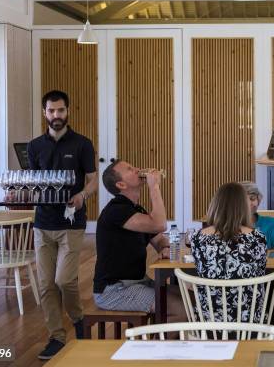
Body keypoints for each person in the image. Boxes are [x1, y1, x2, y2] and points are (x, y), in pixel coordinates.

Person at [27, 90, 98, 360]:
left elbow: (91, 179)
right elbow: (33, 183)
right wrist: (18, 194)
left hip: (71, 222)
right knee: (46, 284)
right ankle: (56, 336)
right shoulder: (34, 147)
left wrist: (83, 195)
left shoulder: (82, 144)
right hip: (42, 223)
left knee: (64, 280)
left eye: (60, 110)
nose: (56, 115)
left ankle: (78, 319)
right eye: (51, 111)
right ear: (44, 113)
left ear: (68, 111)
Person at [93, 160, 169, 313]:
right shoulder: (116, 210)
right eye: (130, 169)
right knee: (177, 305)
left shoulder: (134, 209)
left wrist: (165, 247)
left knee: (189, 298)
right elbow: (160, 224)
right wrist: (154, 187)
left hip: (138, 282)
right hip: (114, 290)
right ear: (121, 185)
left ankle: (164, 335)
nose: (138, 169)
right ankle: (162, 336)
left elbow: (159, 238)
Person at [191, 183, 267, 323]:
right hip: (249, 321)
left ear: (216, 205)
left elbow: (199, 269)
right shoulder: (257, 238)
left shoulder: (197, 238)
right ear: (243, 207)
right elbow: (260, 272)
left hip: (208, 320)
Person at [239, 181, 274, 328]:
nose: (250, 203)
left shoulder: (271, 223)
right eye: (245, 198)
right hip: (242, 278)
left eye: (253, 198)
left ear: (258, 201)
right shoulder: (229, 226)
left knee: (271, 285)